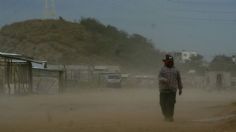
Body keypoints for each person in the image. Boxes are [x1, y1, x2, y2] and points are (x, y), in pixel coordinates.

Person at [158, 54, 183, 122]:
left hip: (172, 90)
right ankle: (166, 115)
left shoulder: (176, 70)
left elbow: (179, 79)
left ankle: (170, 116)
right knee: (162, 103)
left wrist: (180, 88)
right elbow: (159, 77)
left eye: (171, 61)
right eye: (168, 61)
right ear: (165, 61)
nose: (170, 62)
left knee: (171, 103)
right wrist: (164, 79)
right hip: (163, 90)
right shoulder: (162, 69)